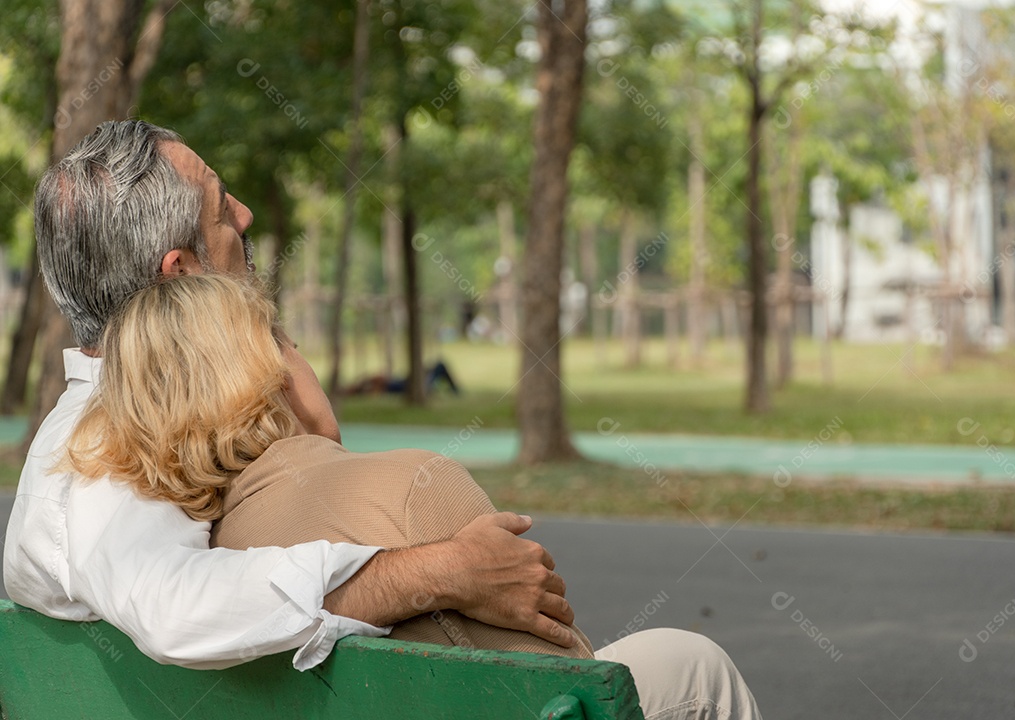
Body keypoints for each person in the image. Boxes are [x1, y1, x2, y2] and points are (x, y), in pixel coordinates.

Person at [4, 120, 762, 719]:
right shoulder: (101, 451)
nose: (245, 211)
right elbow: (173, 609)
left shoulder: (147, 426)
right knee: (692, 667)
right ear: (184, 271)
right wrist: (443, 570)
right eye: (220, 205)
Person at [64, 273, 594, 659]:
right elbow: (575, 685)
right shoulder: (416, 487)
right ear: (270, 372)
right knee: (676, 660)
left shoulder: (197, 550)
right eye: (290, 342)